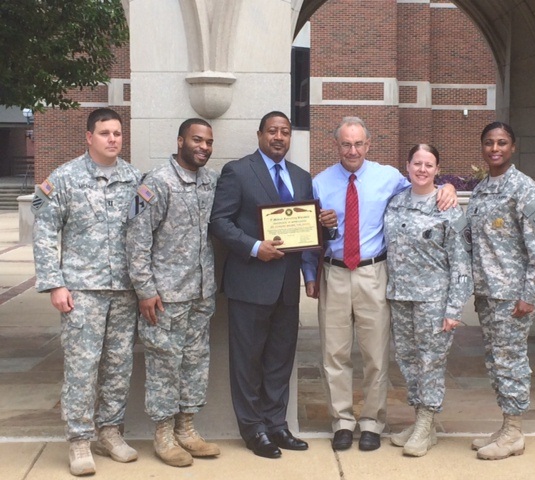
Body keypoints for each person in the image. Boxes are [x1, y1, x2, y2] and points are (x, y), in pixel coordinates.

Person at [303, 117, 457, 452]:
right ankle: (342, 421)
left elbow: (423, 187)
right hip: (335, 273)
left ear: (368, 145)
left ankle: (372, 421)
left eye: (359, 143)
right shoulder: (320, 183)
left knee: (375, 354)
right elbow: (307, 234)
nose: (353, 150)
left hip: (374, 273)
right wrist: (311, 275)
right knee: (335, 353)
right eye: (346, 144)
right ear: (337, 145)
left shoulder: (389, 178)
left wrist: (448, 186)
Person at [210, 111, 336, 459]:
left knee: (280, 360)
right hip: (249, 284)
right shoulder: (238, 171)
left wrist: (312, 270)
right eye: (272, 131)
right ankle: (253, 429)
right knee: (247, 361)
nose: (279, 137)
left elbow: (306, 234)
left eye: (285, 132)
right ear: (260, 134)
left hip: (286, 288)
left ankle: (277, 424)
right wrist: (254, 246)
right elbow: (219, 222)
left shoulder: (300, 177)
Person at [31, 108, 140, 476]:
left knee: (118, 366)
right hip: (81, 291)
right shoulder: (64, 178)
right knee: (81, 367)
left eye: (118, 133)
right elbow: (45, 231)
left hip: (124, 291)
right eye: (105, 133)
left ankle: (109, 431)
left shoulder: (134, 179)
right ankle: (79, 439)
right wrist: (55, 283)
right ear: (88, 137)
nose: (113, 139)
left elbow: (145, 233)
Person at [125, 118, 220, 467]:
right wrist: (145, 290)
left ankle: (187, 429)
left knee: (195, 362)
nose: (204, 147)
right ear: (180, 141)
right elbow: (136, 239)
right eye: (197, 140)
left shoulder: (210, 181)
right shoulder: (154, 183)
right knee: (164, 365)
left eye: (209, 142)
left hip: (200, 293)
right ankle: (163, 434)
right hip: (164, 296)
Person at [467, 122, 535, 460]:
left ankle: (515, 431)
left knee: (511, 361)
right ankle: (506, 425)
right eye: (489, 143)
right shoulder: (481, 190)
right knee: (496, 361)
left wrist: (529, 295)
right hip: (487, 294)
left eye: (502, 143)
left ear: (513, 147)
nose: (495, 149)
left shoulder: (525, 189)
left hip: (512, 296)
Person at [383, 144, 472, 457]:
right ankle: (421, 422)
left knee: (431, 362)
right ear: (407, 166)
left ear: (437, 169)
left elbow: (461, 261)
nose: (422, 169)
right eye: (417, 163)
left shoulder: (447, 206)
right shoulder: (395, 203)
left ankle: (426, 420)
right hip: (400, 297)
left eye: (429, 164)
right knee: (408, 361)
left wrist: (454, 308)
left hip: (433, 300)